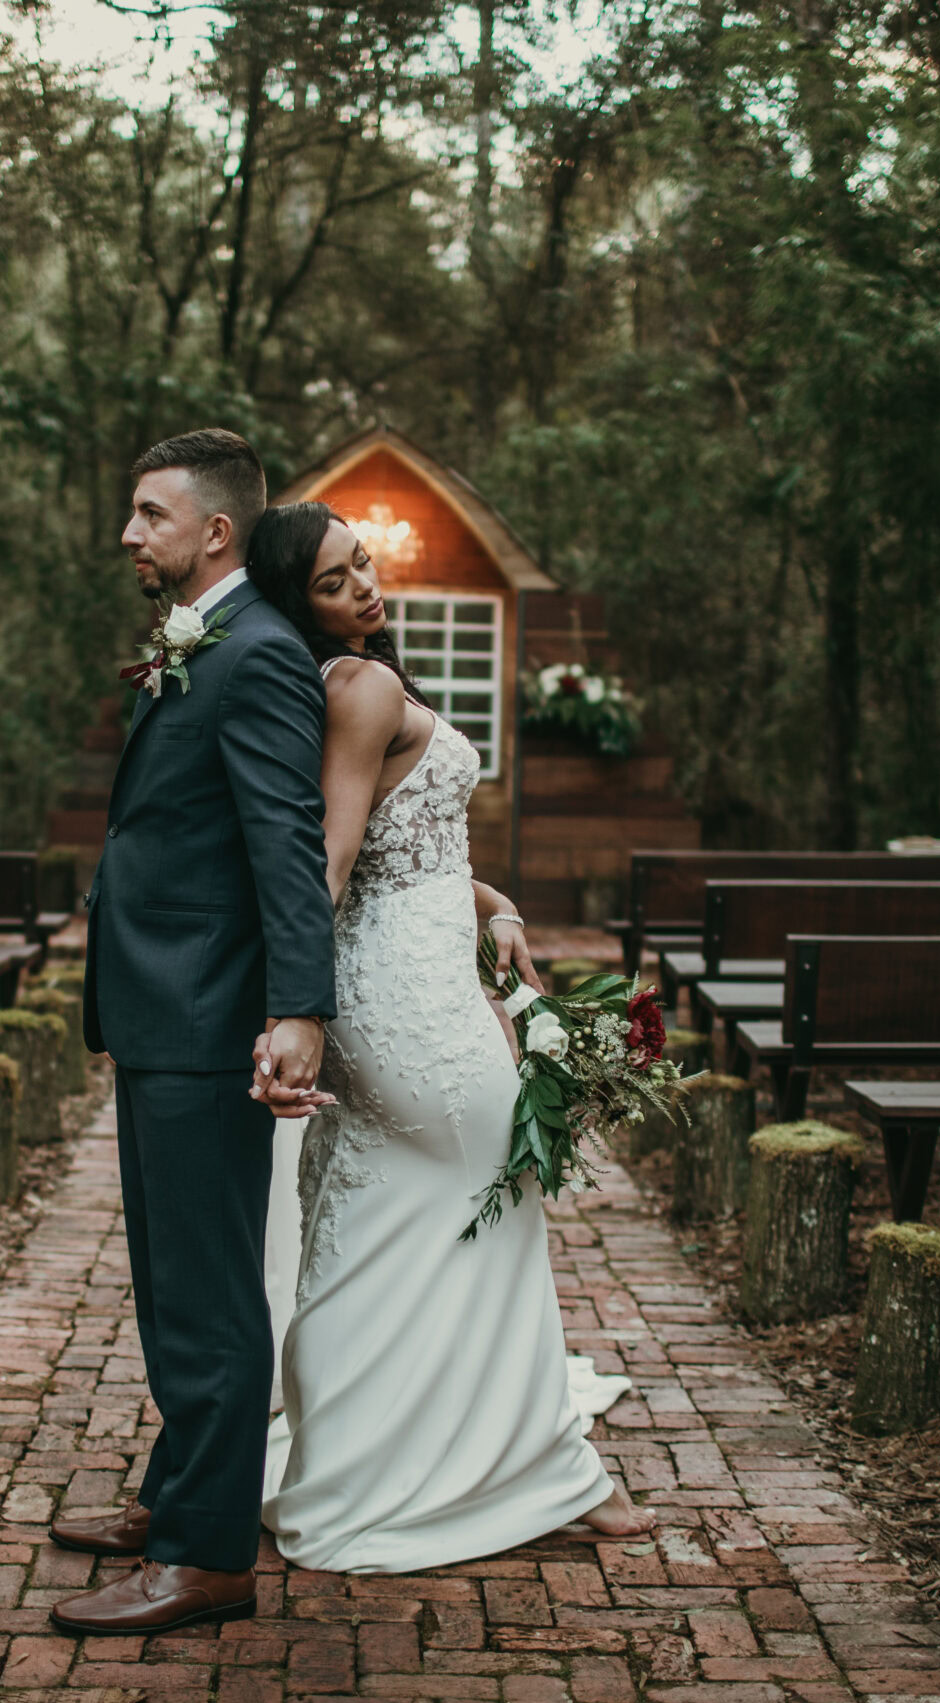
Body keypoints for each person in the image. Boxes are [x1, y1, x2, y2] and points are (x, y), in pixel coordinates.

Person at [248, 499, 658, 1574]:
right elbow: (332, 858)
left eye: (362, 565)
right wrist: (292, 1004)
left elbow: (400, 847)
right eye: (334, 582)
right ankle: (543, 1473)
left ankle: (375, 1462)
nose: (363, 589)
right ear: (301, 603)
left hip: (404, 975)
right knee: (496, 1200)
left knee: (389, 1217)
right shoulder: (365, 684)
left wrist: (492, 904)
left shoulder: (343, 682)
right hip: (403, 1002)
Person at [49, 431, 338, 1636]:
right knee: (172, 1281)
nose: (129, 534)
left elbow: (286, 844)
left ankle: (206, 1553)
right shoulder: (203, 641)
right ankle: (179, 1488)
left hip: (211, 1009)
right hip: (164, 1005)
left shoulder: (259, 656)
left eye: (148, 514)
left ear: (213, 531)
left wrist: (298, 1008)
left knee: (209, 1293)